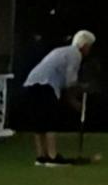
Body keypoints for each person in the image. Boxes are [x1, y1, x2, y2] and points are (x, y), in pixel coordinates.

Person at [19, 31, 94, 167]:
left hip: (31, 83)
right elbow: (70, 81)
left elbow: (65, 84)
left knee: (39, 121)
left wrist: (73, 102)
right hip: (45, 85)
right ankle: (52, 157)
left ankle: (41, 156)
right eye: (89, 46)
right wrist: (82, 87)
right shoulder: (75, 54)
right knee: (49, 120)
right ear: (84, 45)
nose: (89, 50)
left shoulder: (61, 51)